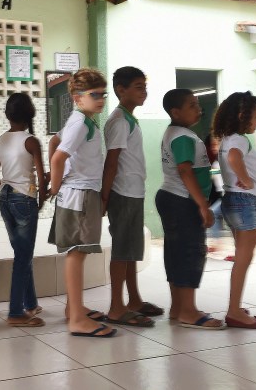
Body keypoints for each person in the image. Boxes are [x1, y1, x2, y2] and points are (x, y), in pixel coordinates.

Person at [48, 68, 116, 338]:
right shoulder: (79, 123)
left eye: (103, 94)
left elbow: (55, 140)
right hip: (79, 194)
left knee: (80, 252)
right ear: (78, 98)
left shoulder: (80, 120)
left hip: (81, 192)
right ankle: (76, 318)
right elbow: (58, 157)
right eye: (95, 94)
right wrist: (54, 186)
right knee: (77, 253)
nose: (101, 99)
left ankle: (73, 309)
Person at [157, 88, 223, 330]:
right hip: (182, 200)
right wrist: (202, 205)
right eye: (193, 106)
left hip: (173, 198)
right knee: (190, 253)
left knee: (176, 253)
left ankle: (178, 307)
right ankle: (188, 311)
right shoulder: (182, 136)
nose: (199, 110)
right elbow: (185, 171)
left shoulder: (176, 132)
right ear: (176, 112)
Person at [102, 67, 161, 327]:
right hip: (123, 192)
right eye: (138, 86)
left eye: (144, 86)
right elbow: (111, 163)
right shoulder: (118, 121)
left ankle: (134, 300)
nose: (144, 91)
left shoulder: (129, 119)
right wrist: (104, 198)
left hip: (134, 191)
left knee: (130, 250)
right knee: (121, 250)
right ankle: (116, 307)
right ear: (120, 90)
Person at [0, 92, 47, 327]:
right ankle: (15, 311)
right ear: (30, 113)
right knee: (23, 256)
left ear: (7, 115)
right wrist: (39, 200)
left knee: (22, 252)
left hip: (5, 199)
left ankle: (30, 303)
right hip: (24, 201)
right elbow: (41, 178)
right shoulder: (31, 141)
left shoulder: (1, 139)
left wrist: (7, 189)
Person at [214, 91, 256, 330]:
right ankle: (234, 310)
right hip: (247, 201)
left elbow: (232, 158)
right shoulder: (239, 139)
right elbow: (234, 159)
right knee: (244, 258)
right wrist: (246, 179)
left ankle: (235, 306)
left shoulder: (227, 138)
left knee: (241, 256)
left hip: (235, 201)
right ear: (241, 115)